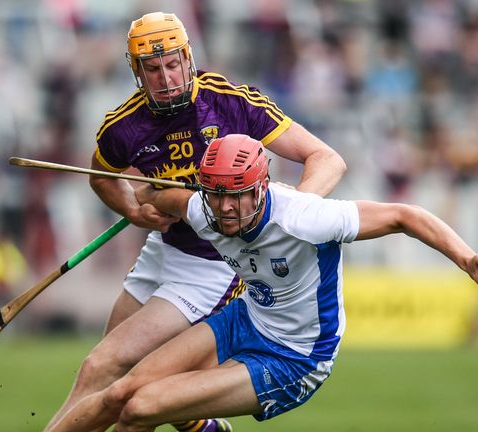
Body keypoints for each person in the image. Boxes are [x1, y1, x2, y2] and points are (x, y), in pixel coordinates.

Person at [47, 134, 478, 431]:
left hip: (296, 358)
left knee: (140, 409)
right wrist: (141, 200)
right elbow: (165, 196)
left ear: (261, 187)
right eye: (216, 194)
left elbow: (403, 216)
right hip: (244, 321)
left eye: (237, 195)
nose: (225, 208)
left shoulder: (304, 217)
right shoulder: (204, 208)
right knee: (122, 390)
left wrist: (467, 256)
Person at [45, 11, 346, 432]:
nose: (167, 78)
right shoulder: (123, 127)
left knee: (105, 366)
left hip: (215, 263)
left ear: (188, 58)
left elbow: (326, 158)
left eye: (173, 64)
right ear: (137, 72)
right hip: (164, 248)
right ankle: (200, 427)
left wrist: (295, 212)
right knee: (105, 372)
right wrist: (132, 209)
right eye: (153, 69)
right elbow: (101, 177)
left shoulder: (230, 102)